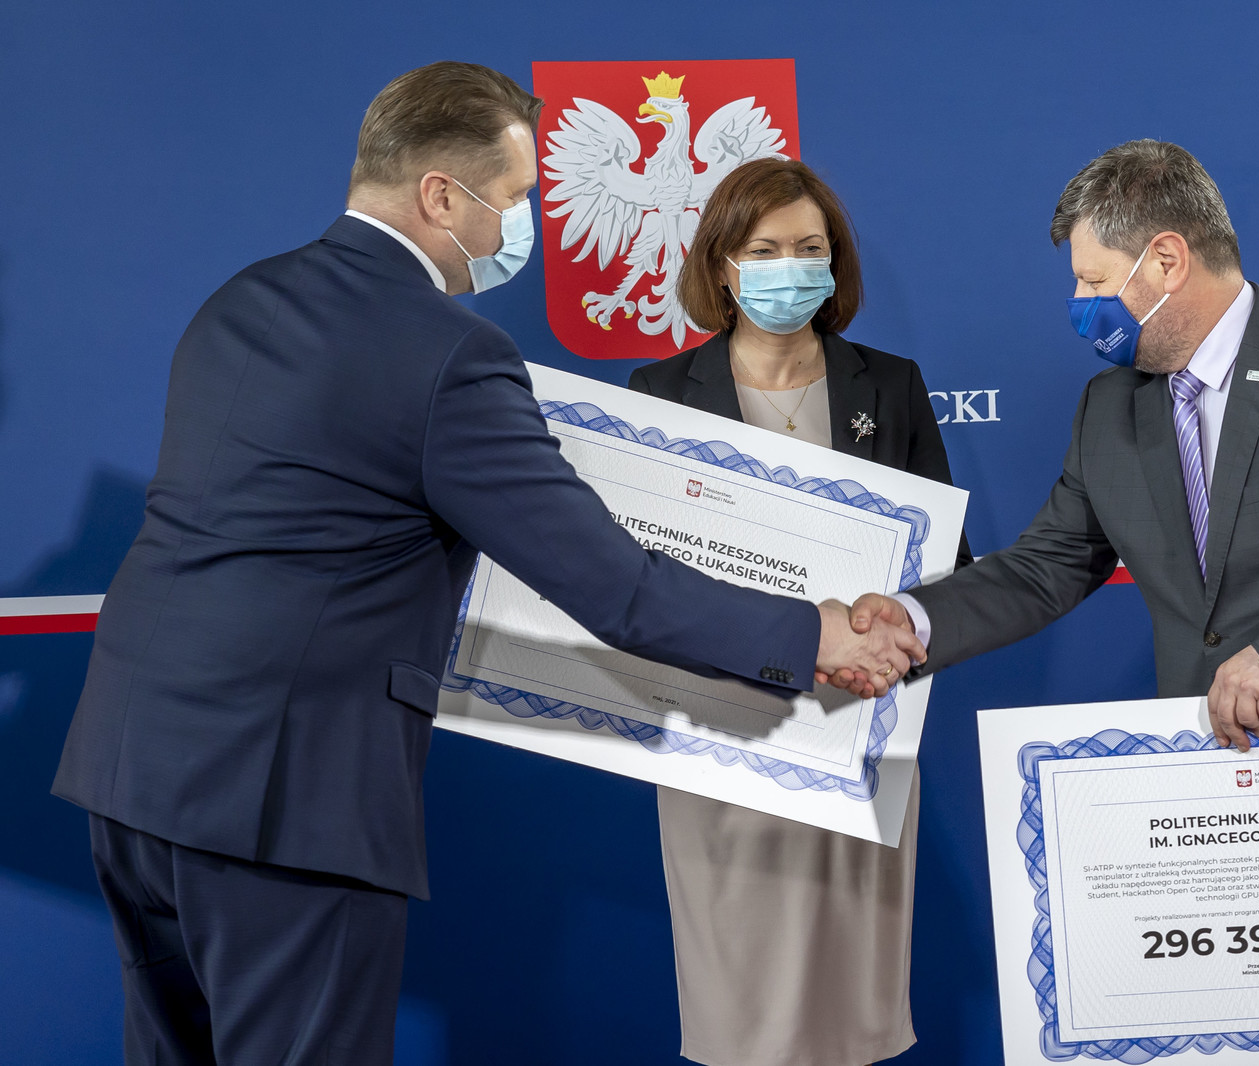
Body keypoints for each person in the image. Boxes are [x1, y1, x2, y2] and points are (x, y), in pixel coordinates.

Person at [50, 63, 921, 1065]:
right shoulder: (447, 354)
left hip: (131, 771)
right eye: (512, 198)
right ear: (438, 196)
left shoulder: (239, 300)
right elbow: (619, 589)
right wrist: (812, 632)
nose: (521, 225)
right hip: (283, 800)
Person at [837, 139, 1259, 750]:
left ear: (1168, 261)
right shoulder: (1108, 406)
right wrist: (912, 620)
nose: (1079, 303)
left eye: (1094, 281)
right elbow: (1047, 567)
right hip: (1211, 753)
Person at [629, 157, 971, 1066]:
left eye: (810, 248)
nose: (791, 267)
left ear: (835, 262)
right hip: (723, 730)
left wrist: (893, 635)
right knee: (742, 1003)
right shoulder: (658, 393)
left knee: (855, 997)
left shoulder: (890, 385)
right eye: (765, 249)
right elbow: (639, 580)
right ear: (722, 266)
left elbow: (949, 566)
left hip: (862, 722)